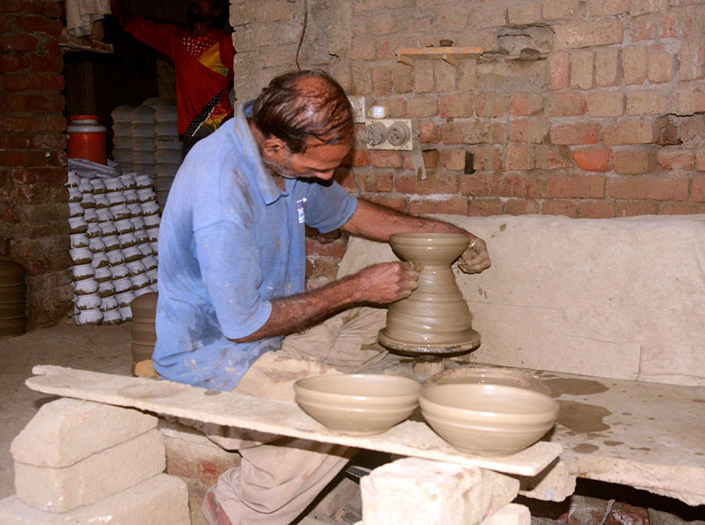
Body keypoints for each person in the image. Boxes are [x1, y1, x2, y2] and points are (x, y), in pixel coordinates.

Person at [155, 69, 491, 524]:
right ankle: (238, 508)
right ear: (276, 147)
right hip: (212, 357)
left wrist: (446, 233)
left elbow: (350, 213)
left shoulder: (280, 153)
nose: (329, 177)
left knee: (388, 318)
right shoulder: (223, 197)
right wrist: (356, 287)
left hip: (267, 334)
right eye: (320, 168)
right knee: (353, 410)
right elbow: (243, 325)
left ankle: (310, 477)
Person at [111, 0, 235, 156]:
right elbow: (126, 22)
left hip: (217, 124)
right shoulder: (178, 40)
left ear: (217, 11)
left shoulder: (224, 44)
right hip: (193, 129)